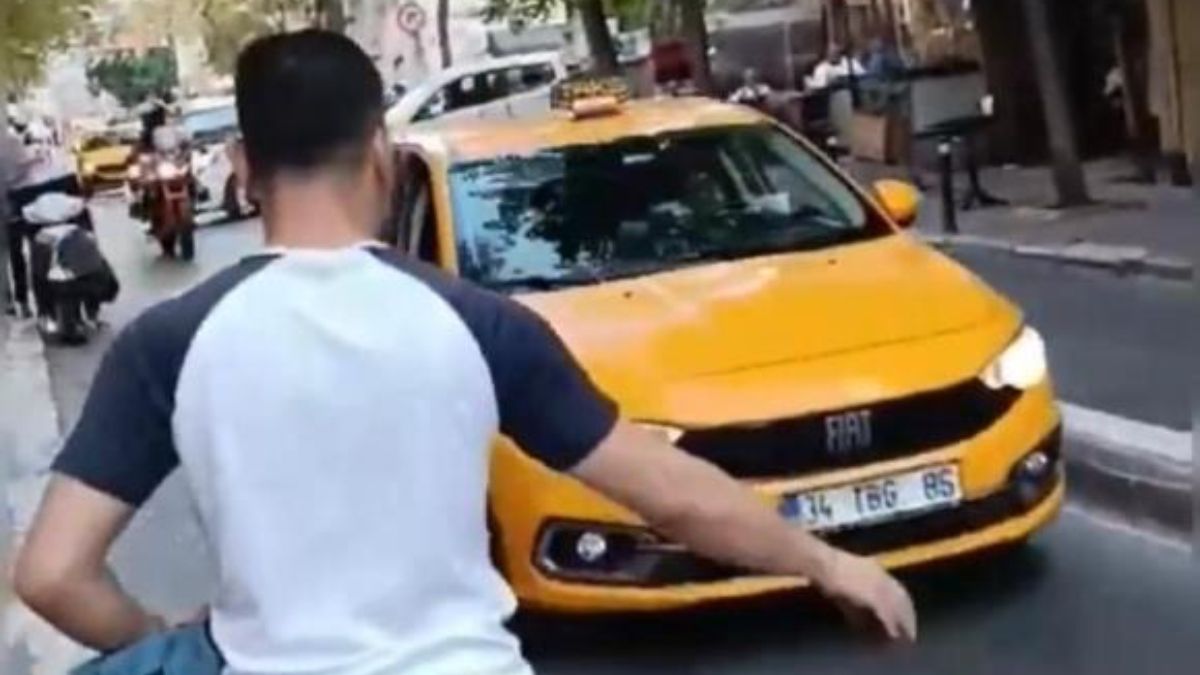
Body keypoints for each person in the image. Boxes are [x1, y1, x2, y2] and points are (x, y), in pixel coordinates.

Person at [14, 30, 916, 675]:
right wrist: (828, 562)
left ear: (244, 170)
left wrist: (164, 637)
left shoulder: (168, 343)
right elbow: (669, 491)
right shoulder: (479, 322)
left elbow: (52, 575)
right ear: (381, 153)